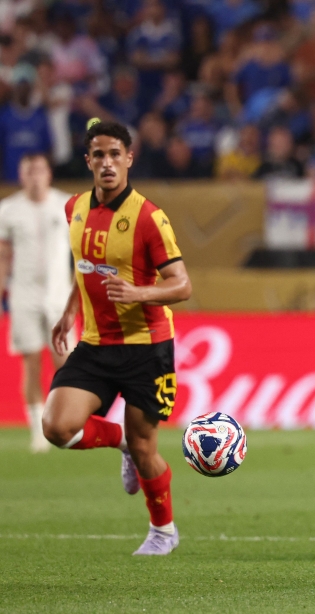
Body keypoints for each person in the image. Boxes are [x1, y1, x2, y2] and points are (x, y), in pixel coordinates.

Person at [42, 120, 192, 556]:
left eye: (115, 155)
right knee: (56, 426)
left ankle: (163, 531)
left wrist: (138, 292)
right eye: (99, 155)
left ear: (129, 158)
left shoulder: (149, 218)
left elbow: (181, 285)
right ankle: (120, 441)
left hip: (148, 347)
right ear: (88, 161)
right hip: (95, 342)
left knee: (149, 450)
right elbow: (85, 263)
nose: (107, 163)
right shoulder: (74, 208)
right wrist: (71, 308)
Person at [0, 155, 74, 453]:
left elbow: (83, 249)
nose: (34, 176)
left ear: (49, 173)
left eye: (39, 170)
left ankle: (67, 422)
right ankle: (37, 429)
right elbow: (4, 255)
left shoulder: (67, 205)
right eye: (28, 170)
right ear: (20, 174)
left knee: (65, 364)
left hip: (59, 295)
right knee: (31, 363)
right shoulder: (8, 210)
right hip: (24, 295)